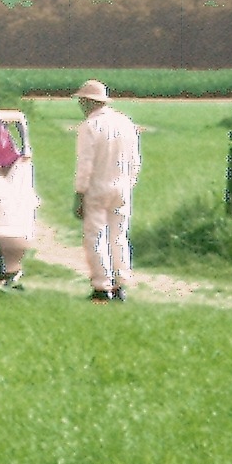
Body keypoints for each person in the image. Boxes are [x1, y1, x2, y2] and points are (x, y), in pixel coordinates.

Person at [72, 80, 141, 301]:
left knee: (95, 236)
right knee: (119, 236)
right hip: (121, 187)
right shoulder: (125, 123)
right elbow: (135, 161)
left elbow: (86, 164)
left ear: (88, 102)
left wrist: (80, 193)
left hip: (97, 188)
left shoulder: (89, 127)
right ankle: (121, 284)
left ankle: (102, 287)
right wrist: (129, 183)